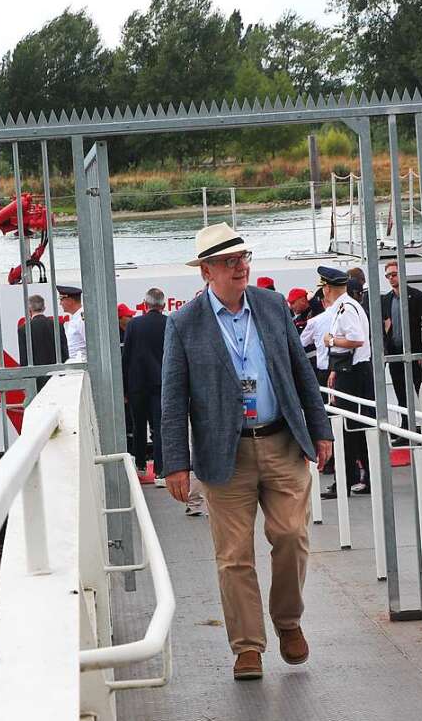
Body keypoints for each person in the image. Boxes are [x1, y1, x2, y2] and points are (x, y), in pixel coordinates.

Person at [161, 222, 333, 681]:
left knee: (292, 537)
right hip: (225, 455)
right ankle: (248, 647)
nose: (240, 267)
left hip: (281, 442)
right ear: (206, 271)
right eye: (229, 261)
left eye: (243, 258)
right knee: (234, 555)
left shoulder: (272, 306)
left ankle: (288, 621)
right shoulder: (183, 324)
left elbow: (301, 373)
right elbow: (173, 398)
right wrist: (175, 463)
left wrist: (321, 430)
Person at [122, 288, 176, 494]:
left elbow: (126, 356)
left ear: (145, 304)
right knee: (160, 427)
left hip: (137, 384)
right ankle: (161, 472)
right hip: (161, 383)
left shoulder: (134, 325)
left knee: (138, 426)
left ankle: (141, 465)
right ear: (163, 306)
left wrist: (125, 386)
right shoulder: (170, 323)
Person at [323, 275, 373, 497]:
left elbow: (356, 339)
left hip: (353, 374)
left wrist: (331, 341)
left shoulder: (345, 308)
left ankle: (347, 479)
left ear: (327, 288)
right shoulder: (346, 306)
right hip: (348, 371)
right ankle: (356, 476)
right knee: (354, 428)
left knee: (350, 428)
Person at [380, 259, 422, 438]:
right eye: (388, 276)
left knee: (421, 389)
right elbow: (382, 326)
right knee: (400, 391)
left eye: (394, 274)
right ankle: (406, 427)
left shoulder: (418, 297)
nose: (391, 279)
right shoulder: (386, 300)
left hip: (415, 353)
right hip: (395, 353)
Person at [17, 294, 68, 392]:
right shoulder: (57, 325)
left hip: (36, 379)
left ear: (29, 310)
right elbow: (64, 352)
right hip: (57, 376)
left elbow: (24, 359)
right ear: (44, 308)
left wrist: (25, 381)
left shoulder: (23, 329)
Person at [58, 285, 87, 363]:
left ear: (70, 301)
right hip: (74, 363)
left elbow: (90, 343)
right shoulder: (76, 317)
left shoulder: (82, 318)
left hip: (80, 363)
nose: (60, 303)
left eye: (61, 300)